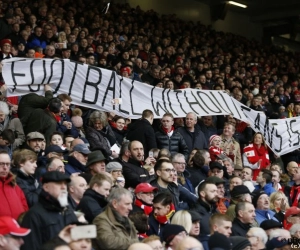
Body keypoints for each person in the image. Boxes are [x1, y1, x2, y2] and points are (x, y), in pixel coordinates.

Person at [0, 150, 28, 219]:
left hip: (18, 228)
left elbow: (25, 208)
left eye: (8, 164)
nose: (5, 167)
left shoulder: (15, 186)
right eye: (1, 164)